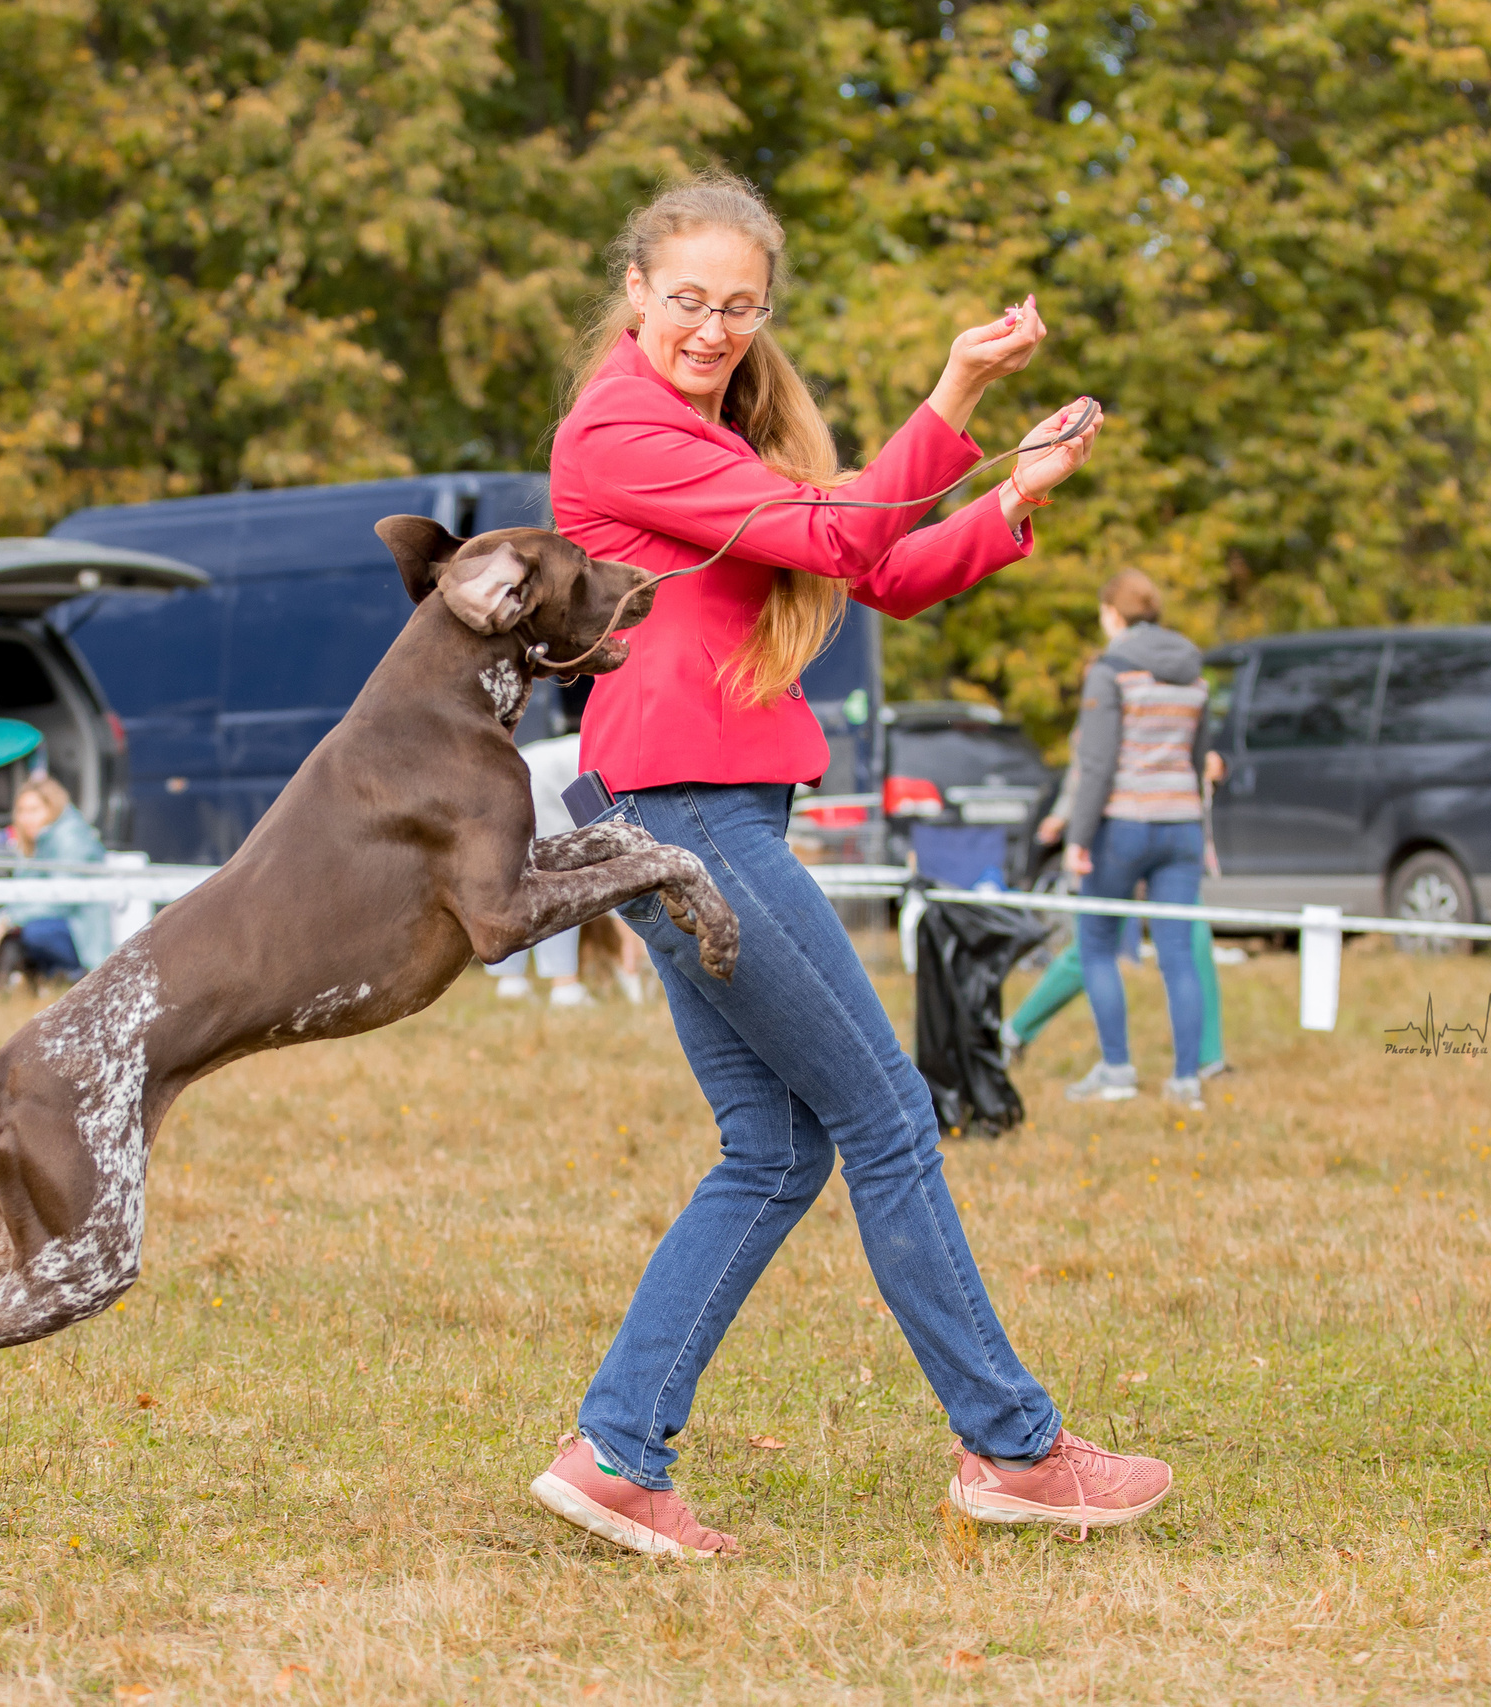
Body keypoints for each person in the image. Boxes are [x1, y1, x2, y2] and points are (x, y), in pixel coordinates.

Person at [525, 171, 1168, 1561]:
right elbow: (838, 533)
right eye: (688, 298)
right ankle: (1013, 1443)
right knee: (883, 1116)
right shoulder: (622, 429)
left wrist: (1012, 497)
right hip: (686, 808)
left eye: (739, 308)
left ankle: (619, 1450)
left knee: (774, 1147)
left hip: (688, 803)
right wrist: (954, 396)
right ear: (636, 291)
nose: (711, 326)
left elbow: (870, 571)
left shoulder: (700, 432)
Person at [1058, 571, 1212, 1109]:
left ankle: (1118, 1070)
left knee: (1096, 944)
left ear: (1113, 615)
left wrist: (1078, 837)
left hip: (1123, 824)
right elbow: (1197, 761)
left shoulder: (1110, 669)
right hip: (1182, 824)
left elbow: (1095, 765)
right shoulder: (1194, 674)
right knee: (1179, 956)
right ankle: (1187, 1081)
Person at [0, 774, 114, 985]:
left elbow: (61, 900)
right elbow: (24, 898)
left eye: (34, 810)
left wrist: (7, 922)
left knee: (34, 932)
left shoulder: (71, 838)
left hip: (82, 934)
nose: (26, 819)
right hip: (57, 921)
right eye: (22, 811)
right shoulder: (39, 839)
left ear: (52, 808)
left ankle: (73, 973)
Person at [488, 732, 592, 1006]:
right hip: (537, 785)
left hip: (513, 772)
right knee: (560, 883)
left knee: (512, 878)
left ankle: (509, 980)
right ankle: (565, 986)